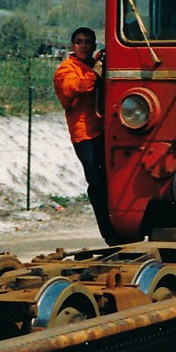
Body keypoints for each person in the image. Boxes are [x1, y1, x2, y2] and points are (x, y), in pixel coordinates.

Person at [53, 27, 121, 245]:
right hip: (85, 136)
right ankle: (110, 234)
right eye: (79, 42)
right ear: (72, 45)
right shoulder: (66, 70)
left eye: (88, 42)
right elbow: (73, 88)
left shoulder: (91, 65)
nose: (84, 46)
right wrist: (95, 73)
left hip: (103, 131)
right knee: (97, 183)